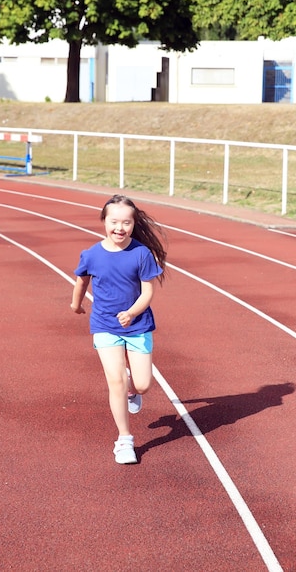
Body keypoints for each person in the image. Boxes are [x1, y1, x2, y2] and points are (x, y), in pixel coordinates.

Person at [71, 194, 167, 465]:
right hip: (104, 325)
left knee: (143, 384)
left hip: (138, 325)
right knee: (115, 380)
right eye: (114, 222)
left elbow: (148, 291)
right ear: (104, 221)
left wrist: (132, 312)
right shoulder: (91, 254)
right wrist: (75, 305)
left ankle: (132, 389)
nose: (120, 228)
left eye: (126, 223)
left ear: (134, 224)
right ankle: (124, 439)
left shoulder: (141, 254)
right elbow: (81, 283)